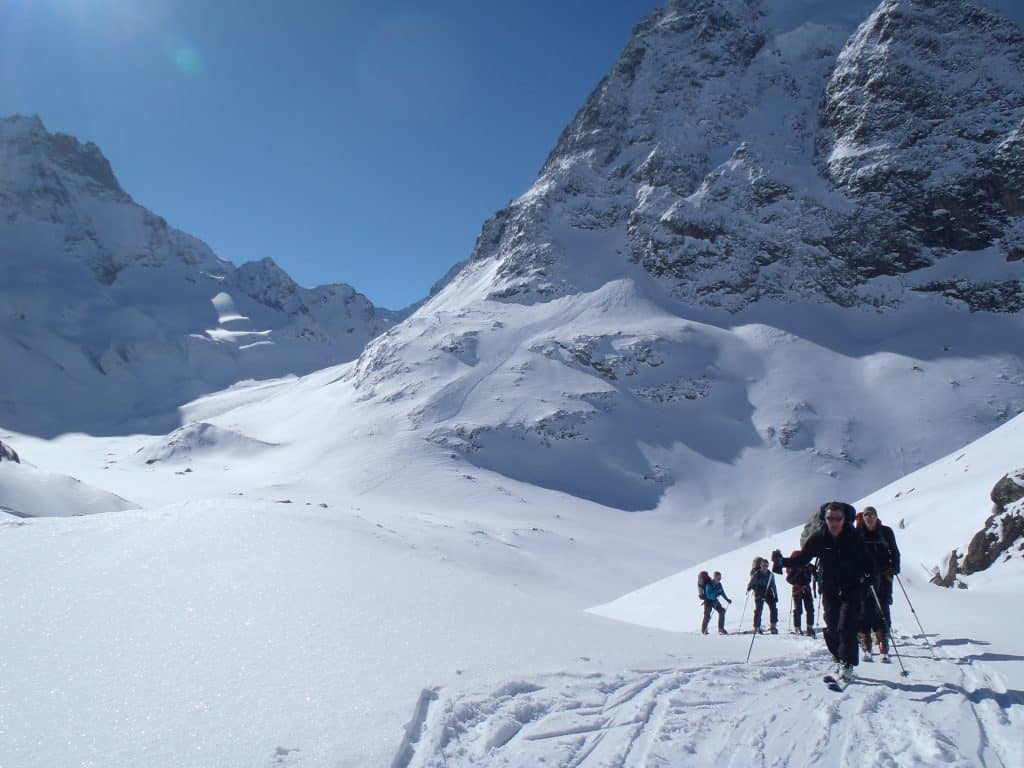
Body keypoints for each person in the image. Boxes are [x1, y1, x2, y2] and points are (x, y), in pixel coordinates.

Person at [772, 502, 873, 681]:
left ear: (844, 519)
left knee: (846, 626)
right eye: (829, 519)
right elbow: (803, 558)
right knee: (832, 624)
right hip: (829, 587)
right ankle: (839, 656)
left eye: (837, 518)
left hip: (852, 587)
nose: (833, 522)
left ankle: (847, 664)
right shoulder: (820, 537)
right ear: (824, 519)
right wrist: (782, 561)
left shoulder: (854, 536)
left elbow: (867, 560)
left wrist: (870, 577)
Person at [857, 505, 901, 660]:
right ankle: (866, 640)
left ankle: (883, 640)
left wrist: (894, 568)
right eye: (866, 515)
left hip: (883, 575)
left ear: (876, 517)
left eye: (872, 515)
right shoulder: (858, 533)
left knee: (882, 606)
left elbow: (894, 551)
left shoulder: (886, 532)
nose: (869, 518)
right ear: (863, 518)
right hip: (864, 577)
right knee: (864, 607)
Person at [785, 550, 816, 638]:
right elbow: (789, 579)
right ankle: (801, 628)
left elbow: (789, 579)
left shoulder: (807, 566)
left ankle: (806, 627)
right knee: (800, 609)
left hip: (802, 589)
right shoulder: (798, 567)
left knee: (808, 608)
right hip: (800, 589)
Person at [747, 558, 780, 634]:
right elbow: (752, 581)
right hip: (759, 591)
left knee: (773, 607)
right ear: (761, 566)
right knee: (759, 609)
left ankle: (773, 626)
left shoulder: (770, 575)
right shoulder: (757, 574)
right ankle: (757, 627)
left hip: (768, 591)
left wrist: (776, 596)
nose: (765, 567)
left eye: (766, 566)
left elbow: (773, 586)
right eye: (763, 565)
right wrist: (749, 587)